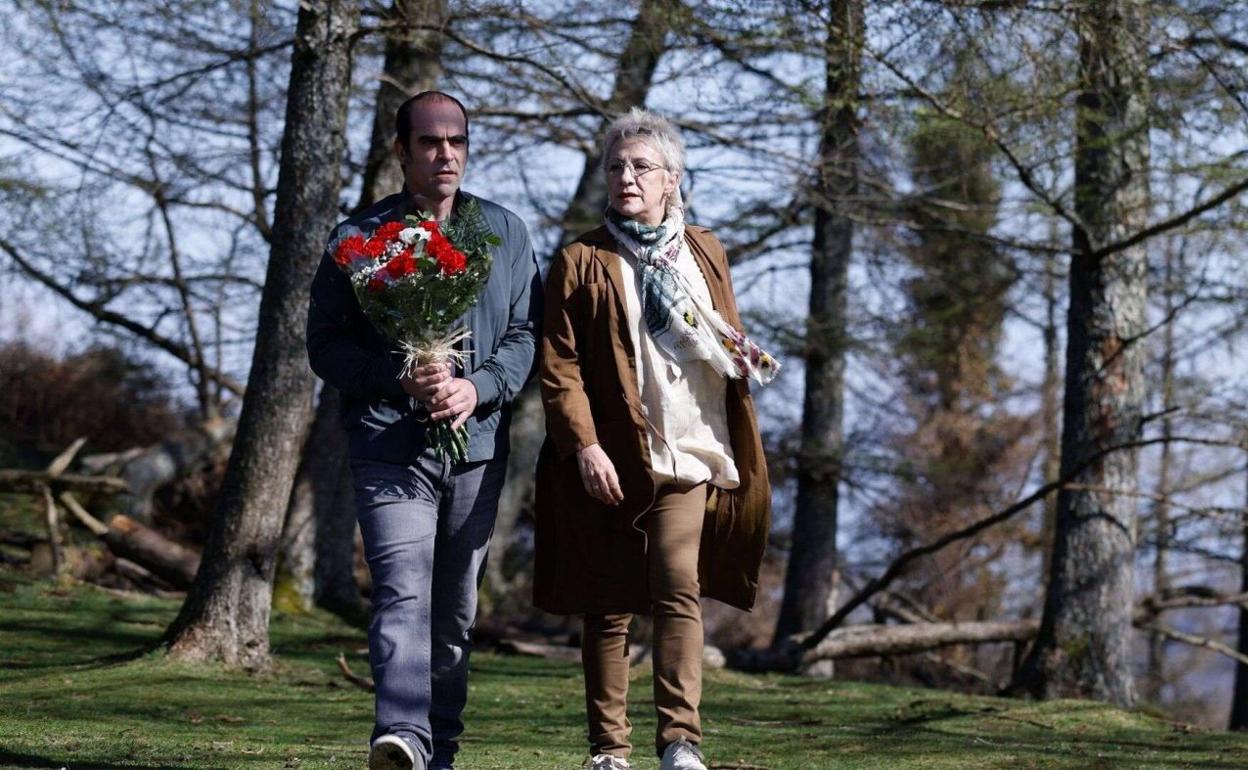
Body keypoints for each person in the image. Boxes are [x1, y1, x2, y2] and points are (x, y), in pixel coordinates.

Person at [534, 107, 778, 770]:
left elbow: (721, 330)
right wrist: (582, 444)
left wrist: (740, 357)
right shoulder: (581, 259)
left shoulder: (704, 250)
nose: (625, 177)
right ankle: (610, 752)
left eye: (641, 166)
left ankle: (679, 743)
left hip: (690, 451)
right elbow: (560, 366)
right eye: (616, 166)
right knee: (608, 604)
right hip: (611, 459)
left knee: (677, 588)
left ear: (672, 179)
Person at [306, 91, 542, 770]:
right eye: (431, 142)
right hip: (388, 443)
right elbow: (325, 348)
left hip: (477, 448)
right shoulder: (356, 241)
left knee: (454, 614)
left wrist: (477, 387)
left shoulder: (506, 231)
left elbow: (529, 334)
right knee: (402, 592)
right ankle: (403, 735)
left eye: (457, 141)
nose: (446, 154)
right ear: (401, 150)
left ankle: (439, 749)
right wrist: (395, 377)